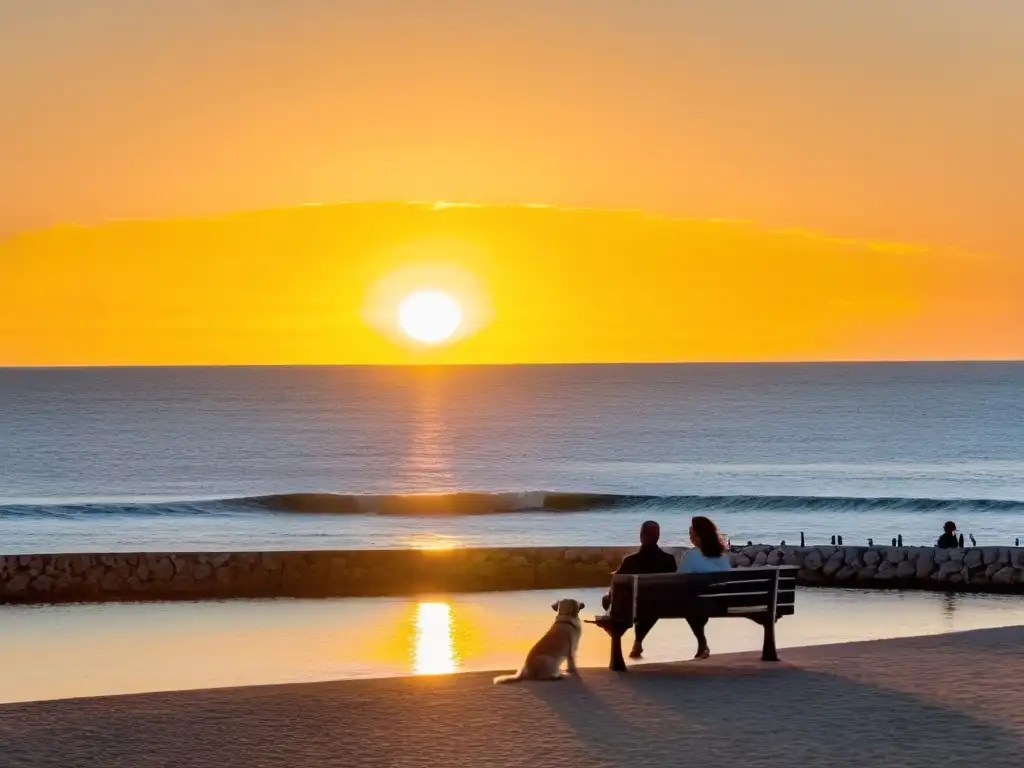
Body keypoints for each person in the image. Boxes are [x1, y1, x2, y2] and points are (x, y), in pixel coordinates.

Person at [601, 520, 677, 658]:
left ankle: (623, 641)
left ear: (641, 536)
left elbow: (616, 584)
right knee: (651, 605)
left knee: (631, 604)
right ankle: (638, 641)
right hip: (659, 606)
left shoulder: (630, 560)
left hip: (631, 607)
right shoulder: (668, 559)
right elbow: (674, 586)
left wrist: (608, 596)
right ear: (658, 537)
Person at [677, 515, 732, 659]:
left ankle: (702, 643)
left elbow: (679, 580)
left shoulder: (690, 555)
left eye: (691, 531)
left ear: (699, 534)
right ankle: (702, 644)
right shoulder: (722, 557)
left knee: (689, 602)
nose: (689, 534)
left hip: (700, 604)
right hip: (724, 603)